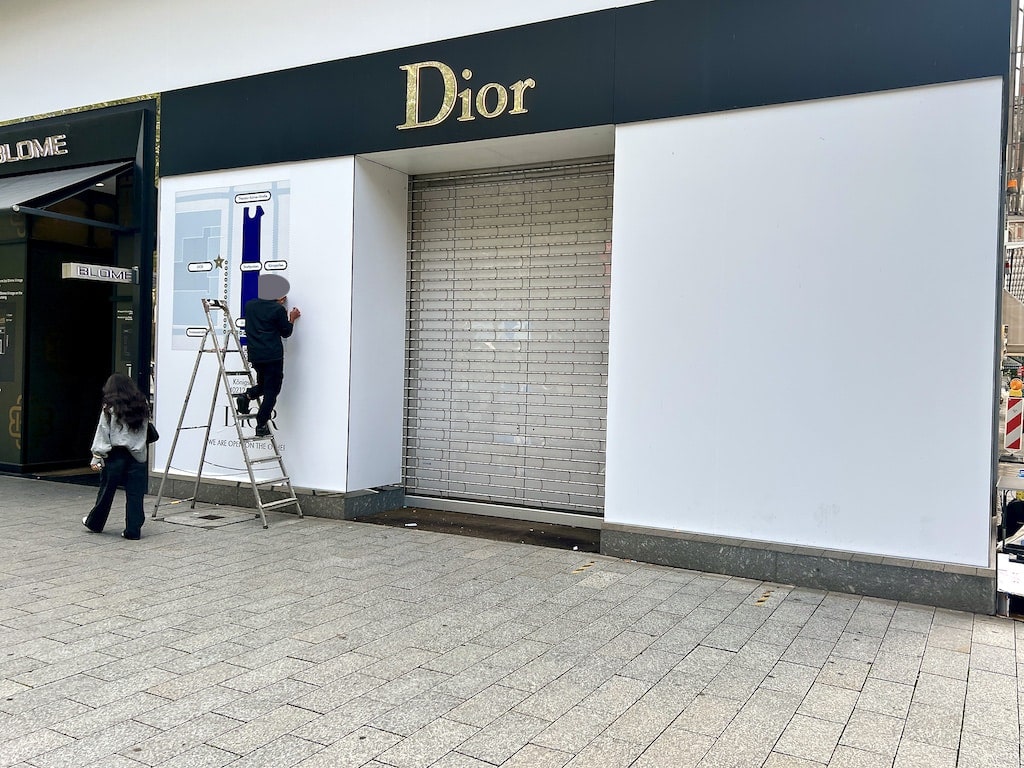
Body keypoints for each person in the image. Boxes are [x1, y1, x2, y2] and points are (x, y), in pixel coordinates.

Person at [83, 373, 150, 539]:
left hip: (115, 455)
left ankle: (95, 523)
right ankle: (133, 530)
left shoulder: (110, 406)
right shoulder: (142, 404)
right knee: (135, 494)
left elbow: (103, 432)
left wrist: (97, 456)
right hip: (137, 455)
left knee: (106, 491)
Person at [236, 273, 300, 438]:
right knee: (272, 391)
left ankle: (247, 396)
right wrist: (291, 318)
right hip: (272, 356)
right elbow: (286, 332)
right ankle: (261, 423)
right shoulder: (278, 310)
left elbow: (263, 315)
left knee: (264, 385)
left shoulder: (250, 305)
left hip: (256, 355)